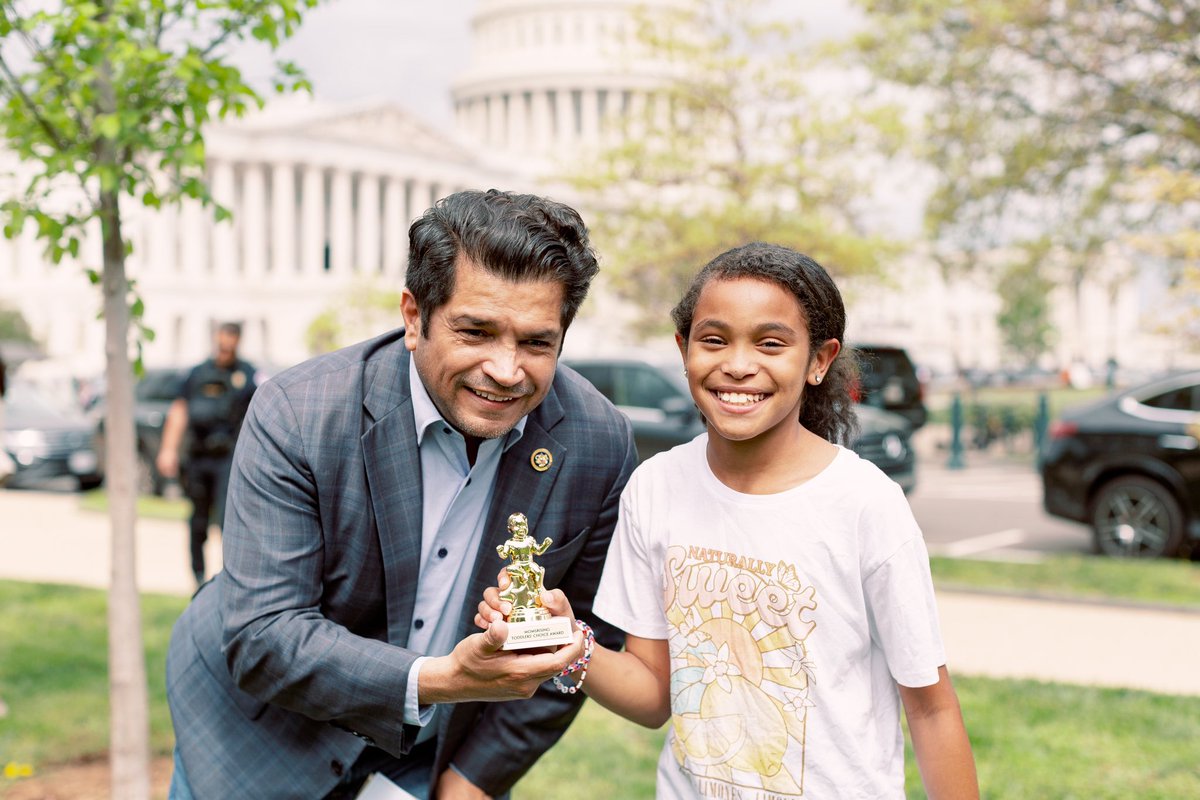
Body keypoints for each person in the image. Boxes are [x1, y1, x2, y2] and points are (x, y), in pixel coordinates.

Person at [165, 189, 638, 800]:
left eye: (537, 342)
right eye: (476, 331)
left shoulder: (600, 443)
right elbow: (265, 637)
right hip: (255, 747)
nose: (506, 369)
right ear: (414, 317)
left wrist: (472, 781)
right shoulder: (297, 413)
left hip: (428, 766)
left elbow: (576, 647)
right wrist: (439, 679)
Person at [479, 242, 979, 798]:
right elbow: (652, 696)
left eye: (771, 343)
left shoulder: (865, 503)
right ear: (683, 349)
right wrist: (566, 644)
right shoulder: (656, 486)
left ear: (819, 360)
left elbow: (931, 711)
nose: (738, 365)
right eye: (714, 340)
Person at [156, 322, 257, 586]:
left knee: (229, 520)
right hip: (199, 457)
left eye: (230, 341)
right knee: (198, 519)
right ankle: (198, 575)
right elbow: (179, 411)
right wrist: (168, 450)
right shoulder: (197, 374)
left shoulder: (247, 374)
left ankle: (230, 578)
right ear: (216, 339)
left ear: (237, 341)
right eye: (222, 341)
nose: (225, 347)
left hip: (229, 459)